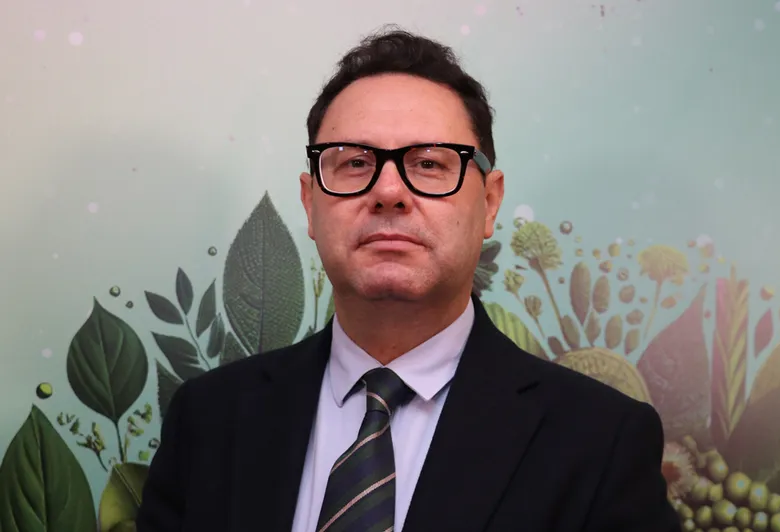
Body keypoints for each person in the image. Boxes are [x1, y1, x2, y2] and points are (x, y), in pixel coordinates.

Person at [137, 26, 681, 532]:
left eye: (429, 164)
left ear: (490, 203)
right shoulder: (209, 419)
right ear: (309, 202)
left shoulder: (600, 441)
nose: (389, 191)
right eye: (354, 163)